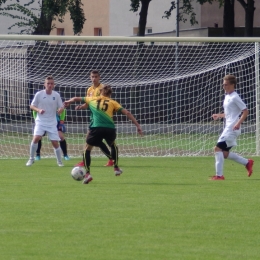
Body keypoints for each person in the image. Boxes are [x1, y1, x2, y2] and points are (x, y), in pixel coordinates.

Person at [64, 84, 143, 184]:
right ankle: (116, 168)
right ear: (110, 94)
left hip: (96, 127)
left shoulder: (92, 99)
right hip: (109, 128)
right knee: (113, 145)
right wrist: (138, 126)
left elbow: (76, 98)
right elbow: (127, 113)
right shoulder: (113, 102)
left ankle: (87, 174)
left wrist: (68, 102)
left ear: (101, 92)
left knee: (87, 149)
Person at [211, 74, 254, 180]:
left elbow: (245, 111)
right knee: (224, 153)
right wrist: (219, 115)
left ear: (232, 85)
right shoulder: (227, 96)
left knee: (217, 149)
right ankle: (247, 162)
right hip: (229, 127)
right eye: (223, 85)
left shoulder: (235, 96)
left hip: (232, 128)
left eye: (226, 85)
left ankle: (219, 175)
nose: (224, 87)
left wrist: (238, 123)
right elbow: (229, 114)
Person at [75, 69, 114, 167]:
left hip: (102, 120)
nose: (94, 79)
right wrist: (81, 107)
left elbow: (106, 102)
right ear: (90, 77)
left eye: (96, 77)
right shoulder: (89, 90)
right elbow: (88, 103)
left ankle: (110, 159)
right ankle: (111, 159)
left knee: (94, 141)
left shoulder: (103, 88)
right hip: (94, 119)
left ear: (99, 77)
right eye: (92, 77)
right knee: (94, 141)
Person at [26, 76, 64, 167]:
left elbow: (61, 107)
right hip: (41, 121)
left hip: (52, 122)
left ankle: (59, 161)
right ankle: (31, 159)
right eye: (48, 83)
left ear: (54, 85)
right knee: (36, 138)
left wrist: (60, 110)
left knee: (55, 142)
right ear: (44, 84)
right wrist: (38, 110)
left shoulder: (56, 95)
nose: (50, 85)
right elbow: (32, 106)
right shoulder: (39, 94)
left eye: (51, 83)